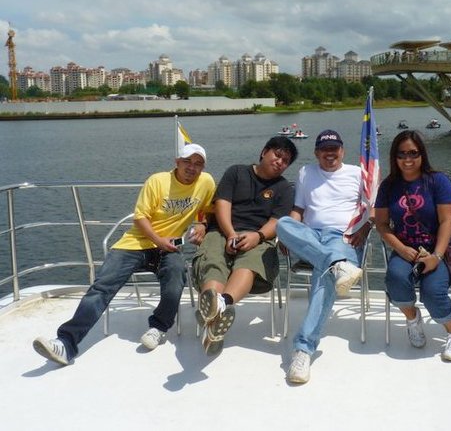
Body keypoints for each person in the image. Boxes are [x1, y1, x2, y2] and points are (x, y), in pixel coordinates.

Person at [33, 144, 215, 366]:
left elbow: (209, 210)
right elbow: (140, 218)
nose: (192, 168)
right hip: (135, 244)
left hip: (170, 248)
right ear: (177, 162)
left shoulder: (206, 182)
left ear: (203, 167)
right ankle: (66, 343)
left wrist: (203, 225)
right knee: (103, 286)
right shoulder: (157, 181)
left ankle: (158, 327)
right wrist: (158, 240)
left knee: (176, 278)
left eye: (198, 164)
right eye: (187, 162)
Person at [276, 129, 372, 384]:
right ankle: (337, 264)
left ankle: (303, 349)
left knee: (324, 277)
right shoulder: (306, 172)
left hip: (343, 237)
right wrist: (289, 235)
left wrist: (365, 228)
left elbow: (372, 209)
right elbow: (298, 210)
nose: (330, 153)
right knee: (282, 224)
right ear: (317, 152)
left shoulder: (357, 174)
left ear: (342, 151)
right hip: (311, 235)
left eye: (334, 149)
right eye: (325, 149)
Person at [192, 136, 298, 355]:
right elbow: (222, 204)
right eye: (277, 155)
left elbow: (276, 221)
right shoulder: (237, 172)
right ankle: (216, 317)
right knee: (214, 260)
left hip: (259, 236)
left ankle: (219, 306)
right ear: (264, 152)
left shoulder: (284, 188)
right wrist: (231, 234)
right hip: (222, 230)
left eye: (285, 161)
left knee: (249, 264)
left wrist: (257, 236)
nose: (280, 162)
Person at [374, 130, 451, 361]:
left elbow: (446, 221)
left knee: (433, 292)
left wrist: (436, 256)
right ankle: (412, 318)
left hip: (437, 249)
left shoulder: (437, 181)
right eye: (402, 154)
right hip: (406, 249)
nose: (408, 159)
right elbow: (381, 224)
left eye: (413, 153)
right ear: (394, 157)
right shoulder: (388, 186)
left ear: (422, 154)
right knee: (395, 279)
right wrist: (401, 249)